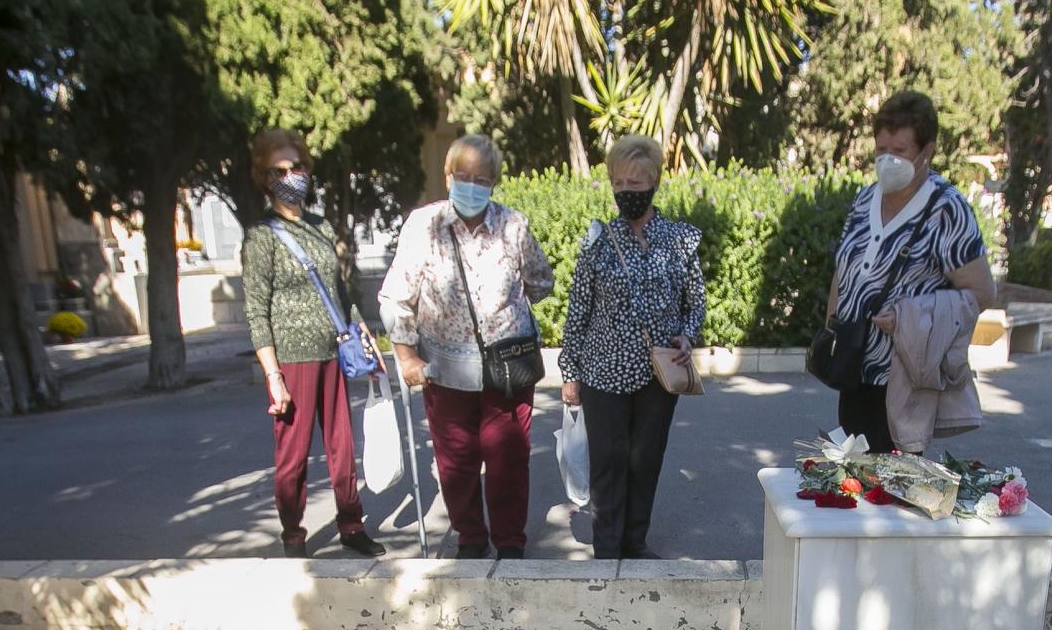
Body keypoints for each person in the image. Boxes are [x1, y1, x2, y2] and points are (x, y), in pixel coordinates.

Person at [379, 134, 555, 559]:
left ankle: (510, 543)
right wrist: (406, 355)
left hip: (506, 370)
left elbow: (541, 282)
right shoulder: (425, 225)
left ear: (494, 180)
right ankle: (471, 539)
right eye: (462, 176)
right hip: (443, 370)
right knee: (455, 464)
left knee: (508, 462)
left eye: (481, 178)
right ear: (448, 176)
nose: (471, 185)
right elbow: (395, 295)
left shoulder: (514, 226)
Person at [823, 91, 999, 454]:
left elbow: (980, 294)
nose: (888, 160)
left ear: (926, 152)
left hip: (903, 377)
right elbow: (844, 269)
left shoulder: (946, 209)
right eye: (880, 149)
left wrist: (910, 315)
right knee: (850, 480)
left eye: (899, 151)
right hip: (855, 369)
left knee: (892, 489)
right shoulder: (864, 199)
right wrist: (832, 329)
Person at [559, 135, 705, 560]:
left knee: (646, 461)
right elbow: (578, 309)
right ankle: (608, 549)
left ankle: (634, 542)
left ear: (655, 182)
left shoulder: (679, 240)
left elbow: (694, 300)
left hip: (660, 373)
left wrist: (687, 334)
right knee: (609, 461)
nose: (626, 193)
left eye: (634, 184)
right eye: (618, 183)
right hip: (603, 371)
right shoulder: (599, 242)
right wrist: (570, 372)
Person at [240, 127, 384, 558]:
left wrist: (362, 331)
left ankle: (351, 524)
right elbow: (255, 310)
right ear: (266, 178)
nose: (290, 175)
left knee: (343, 448)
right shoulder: (260, 237)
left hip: (334, 353)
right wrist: (274, 376)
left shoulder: (320, 227)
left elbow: (339, 291)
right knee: (293, 457)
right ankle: (293, 535)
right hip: (292, 360)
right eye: (279, 169)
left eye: (296, 166)